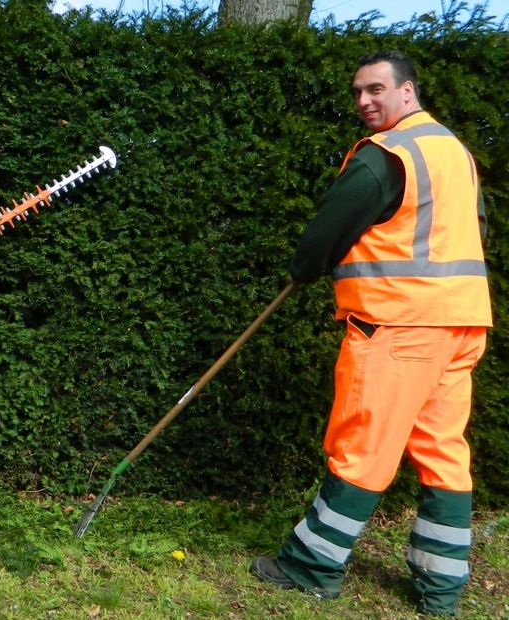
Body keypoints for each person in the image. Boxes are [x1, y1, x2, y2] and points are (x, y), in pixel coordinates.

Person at [250, 51, 491, 616]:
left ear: (408, 92)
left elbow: (325, 232)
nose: (364, 101)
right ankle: (440, 590)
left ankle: (309, 567)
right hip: (460, 322)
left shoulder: (386, 156)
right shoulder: (456, 152)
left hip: (399, 326)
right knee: (443, 452)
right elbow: (473, 227)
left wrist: (306, 267)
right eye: (358, 92)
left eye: (376, 89)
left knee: (363, 450)